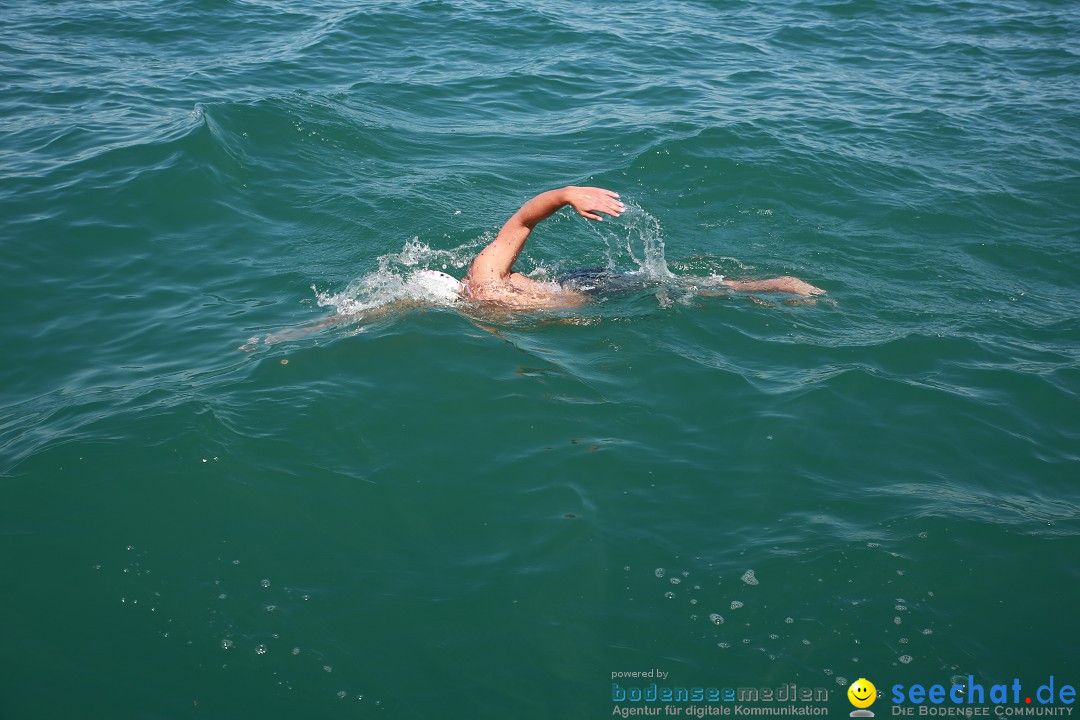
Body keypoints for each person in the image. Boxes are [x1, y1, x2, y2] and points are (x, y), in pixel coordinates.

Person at [454, 186, 823, 309]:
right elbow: (519, 224)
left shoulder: (485, 279)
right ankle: (750, 284)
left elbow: (521, 222)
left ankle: (777, 284)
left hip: (585, 286)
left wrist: (567, 195)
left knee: (681, 286)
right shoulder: (484, 282)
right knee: (667, 279)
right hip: (577, 285)